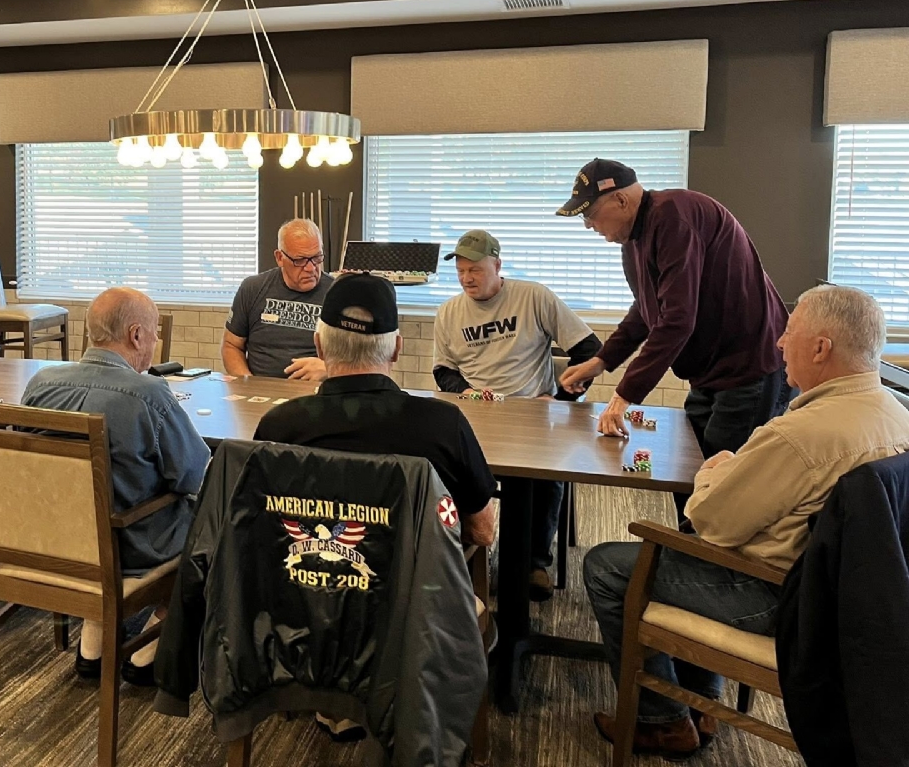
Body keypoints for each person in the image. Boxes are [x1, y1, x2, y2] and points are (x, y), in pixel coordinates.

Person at [584, 285, 909, 759]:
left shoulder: (801, 435)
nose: (779, 343)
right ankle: (703, 702)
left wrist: (713, 471)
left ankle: (661, 721)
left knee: (605, 566)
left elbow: (712, 523)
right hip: (853, 603)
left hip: (778, 597)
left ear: (821, 348)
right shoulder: (899, 415)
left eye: (789, 332)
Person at [254, 272, 498, 743]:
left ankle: (334, 692)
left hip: (306, 602)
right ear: (397, 348)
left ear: (319, 346)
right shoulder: (442, 423)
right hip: (413, 614)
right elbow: (481, 532)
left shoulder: (278, 426)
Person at [23, 286, 210, 686]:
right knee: (215, 522)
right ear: (136, 335)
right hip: (128, 547)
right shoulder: (148, 394)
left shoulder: (41, 383)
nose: (155, 341)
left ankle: (96, 639)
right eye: (155, 333)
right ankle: (150, 650)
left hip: (48, 541)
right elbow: (194, 475)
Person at [556, 160, 790, 463]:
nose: (588, 225)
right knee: (693, 462)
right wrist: (601, 361)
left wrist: (622, 397)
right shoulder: (633, 240)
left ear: (621, 200)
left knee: (724, 472)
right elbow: (647, 309)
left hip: (749, 366)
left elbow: (677, 320)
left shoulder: (674, 216)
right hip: (710, 371)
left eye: (589, 214)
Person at [433, 229, 603, 601]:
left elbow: (590, 350)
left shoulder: (533, 297)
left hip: (531, 414)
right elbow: (443, 371)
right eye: (461, 271)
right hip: (478, 413)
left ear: (497, 265)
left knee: (543, 475)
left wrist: (560, 399)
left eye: (475, 270)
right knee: (442, 465)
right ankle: (462, 553)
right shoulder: (448, 312)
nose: (467, 278)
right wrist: (466, 391)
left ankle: (532, 563)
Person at [223, 218, 332, 383]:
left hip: (317, 393)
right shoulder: (253, 288)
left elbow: (361, 362)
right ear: (280, 257)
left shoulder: (338, 293)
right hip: (259, 391)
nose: (310, 268)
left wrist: (329, 368)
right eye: (300, 260)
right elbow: (231, 346)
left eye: (317, 257)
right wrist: (248, 383)